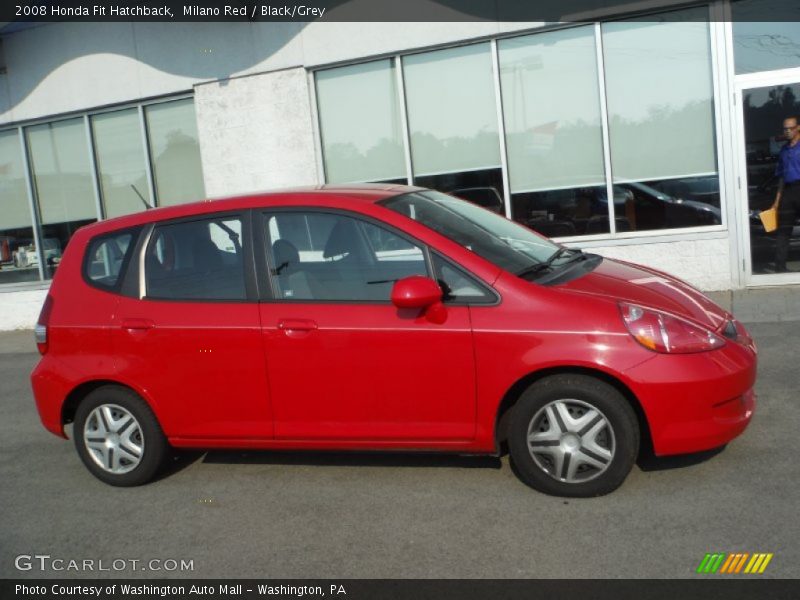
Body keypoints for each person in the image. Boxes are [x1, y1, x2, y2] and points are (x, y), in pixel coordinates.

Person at [772, 115, 800, 273]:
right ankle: (780, 267)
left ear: (797, 128)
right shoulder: (784, 150)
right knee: (784, 230)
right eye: (785, 128)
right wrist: (777, 202)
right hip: (788, 192)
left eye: (790, 128)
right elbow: (781, 178)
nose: (788, 131)